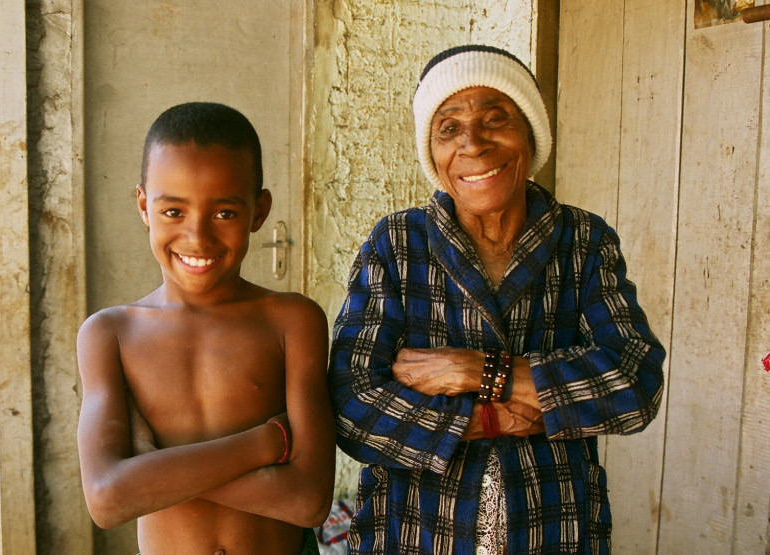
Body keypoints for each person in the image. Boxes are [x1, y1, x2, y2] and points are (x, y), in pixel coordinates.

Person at [328, 45, 665, 554]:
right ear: (432, 153)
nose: (474, 145)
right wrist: (487, 418)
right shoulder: (397, 243)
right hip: (415, 532)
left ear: (531, 135)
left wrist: (484, 372)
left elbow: (635, 383)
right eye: (448, 128)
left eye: (495, 118)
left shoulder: (583, 241)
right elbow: (352, 402)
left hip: (553, 529)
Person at [77, 102, 335, 555]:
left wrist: (152, 469)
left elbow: (308, 501)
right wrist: (265, 444)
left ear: (259, 210)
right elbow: (107, 499)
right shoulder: (110, 335)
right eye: (173, 211)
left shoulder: (292, 321)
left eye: (225, 213)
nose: (197, 237)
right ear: (143, 206)